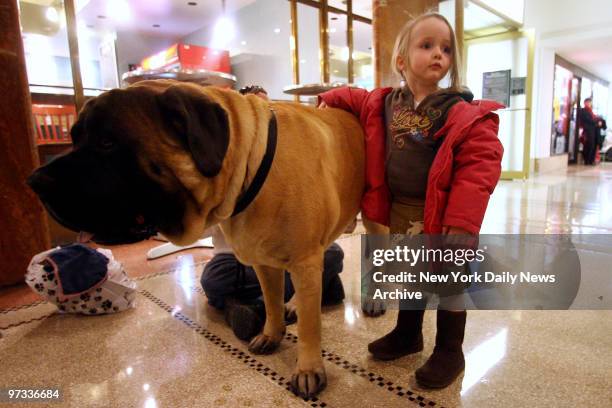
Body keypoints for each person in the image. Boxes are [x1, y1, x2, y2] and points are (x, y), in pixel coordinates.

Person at [318, 12, 503, 388]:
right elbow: (354, 97)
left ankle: (451, 349)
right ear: (401, 61)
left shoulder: (459, 112)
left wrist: (464, 221)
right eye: (427, 45)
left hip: (445, 217)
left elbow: (479, 166)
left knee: (449, 282)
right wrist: (328, 97)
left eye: (446, 49)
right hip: (401, 211)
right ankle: (408, 334)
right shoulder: (386, 103)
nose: (438, 54)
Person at [201, 226, 345, 341]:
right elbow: (198, 228)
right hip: (235, 260)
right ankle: (324, 285)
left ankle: (254, 308)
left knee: (332, 251)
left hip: (285, 255)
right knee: (212, 280)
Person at [578, 98, 604, 165]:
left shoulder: (591, 111)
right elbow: (588, 120)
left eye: (590, 102)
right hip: (588, 131)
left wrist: (599, 122)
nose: (589, 104)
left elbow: (594, 118)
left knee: (594, 145)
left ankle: (591, 160)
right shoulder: (583, 111)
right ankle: (587, 160)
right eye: (588, 102)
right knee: (589, 145)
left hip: (593, 131)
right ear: (585, 103)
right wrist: (597, 123)